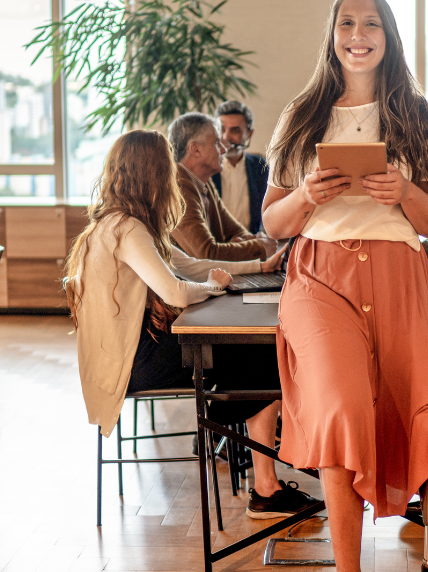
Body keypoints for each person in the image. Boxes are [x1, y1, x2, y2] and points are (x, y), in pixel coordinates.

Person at [263, 0, 428, 572]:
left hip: (400, 273)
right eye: (347, 23)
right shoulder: (302, 113)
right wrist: (305, 196)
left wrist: (403, 192)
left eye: (371, 23)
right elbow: (270, 221)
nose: (359, 34)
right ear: (332, 34)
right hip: (320, 275)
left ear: (389, 34)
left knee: (423, 417)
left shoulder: (416, 115)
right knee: (344, 409)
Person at [67, 130, 316, 521]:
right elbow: (179, 292)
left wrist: (257, 267)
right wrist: (212, 288)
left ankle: (248, 450)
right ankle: (263, 481)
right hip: (132, 365)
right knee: (264, 358)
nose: (172, 181)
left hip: (127, 356)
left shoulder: (126, 223)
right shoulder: (127, 229)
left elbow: (189, 265)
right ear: (152, 174)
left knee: (255, 356)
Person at [169, 112, 278, 262]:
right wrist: (259, 247)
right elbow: (207, 253)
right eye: (216, 142)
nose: (224, 149)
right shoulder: (177, 187)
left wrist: (247, 241)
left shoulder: (204, 181)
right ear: (196, 149)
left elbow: (234, 231)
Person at [212, 100, 269, 234]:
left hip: (251, 245)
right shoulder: (205, 168)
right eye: (221, 130)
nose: (226, 137)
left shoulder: (261, 167)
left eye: (235, 130)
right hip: (214, 248)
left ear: (249, 134)